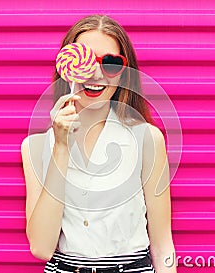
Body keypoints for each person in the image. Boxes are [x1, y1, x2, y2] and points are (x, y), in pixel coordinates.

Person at [21, 14, 177, 273]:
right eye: (86, 60)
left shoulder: (147, 139)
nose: (95, 73)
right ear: (67, 66)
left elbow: (162, 246)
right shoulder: (35, 147)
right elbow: (41, 247)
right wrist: (61, 146)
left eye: (111, 63)